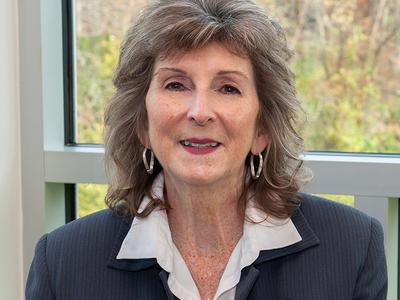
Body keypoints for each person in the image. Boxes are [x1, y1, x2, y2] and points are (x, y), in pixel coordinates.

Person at [26, 0, 387, 299]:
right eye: (176, 84)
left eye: (228, 88)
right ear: (142, 124)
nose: (200, 112)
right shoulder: (62, 262)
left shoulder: (353, 248)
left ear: (262, 128)